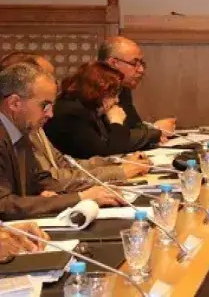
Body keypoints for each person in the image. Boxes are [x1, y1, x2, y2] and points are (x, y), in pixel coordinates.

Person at [0, 53, 149, 190]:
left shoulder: (31, 126)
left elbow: (64, 164)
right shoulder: (64, 113)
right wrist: (118, 172)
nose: (51, 114)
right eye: (44, 75)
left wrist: (118, 162)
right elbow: (49, 181)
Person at [0, 63, 121, 220]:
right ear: (14, 103)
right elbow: (3, 205)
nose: (50, 114)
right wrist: (80, 198)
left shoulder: (20, 131)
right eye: (45, 106)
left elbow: (40, 181)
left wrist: (95, 191)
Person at [44, 62, 137, 158]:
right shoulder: (72, 114)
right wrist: (117, 123)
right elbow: (105, 154)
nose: (117, 100)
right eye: (112, 94)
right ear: (98, 91)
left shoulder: (91, 110)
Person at [98, 36, 175, 150]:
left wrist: (152, 132)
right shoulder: (93, 92)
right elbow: (114, 141)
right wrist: (156, 132)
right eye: (134, 63)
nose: (141, 70)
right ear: (113, 63)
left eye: (141, 63)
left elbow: (134, 126)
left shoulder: (123, 88)